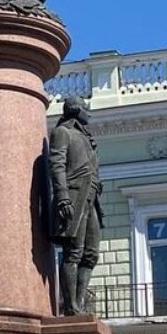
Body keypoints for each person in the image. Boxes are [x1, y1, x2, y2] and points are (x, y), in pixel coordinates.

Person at [50, 95, 103, 315]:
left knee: (91, 254)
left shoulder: (85, 137)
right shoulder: (63, 132)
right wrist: (62, 195)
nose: (88, 112)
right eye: (85, 108)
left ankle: (79, 303)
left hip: (91, 198)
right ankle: (71, 306)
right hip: (74, 196)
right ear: (75, 109)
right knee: (73, 252)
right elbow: (57, 163)